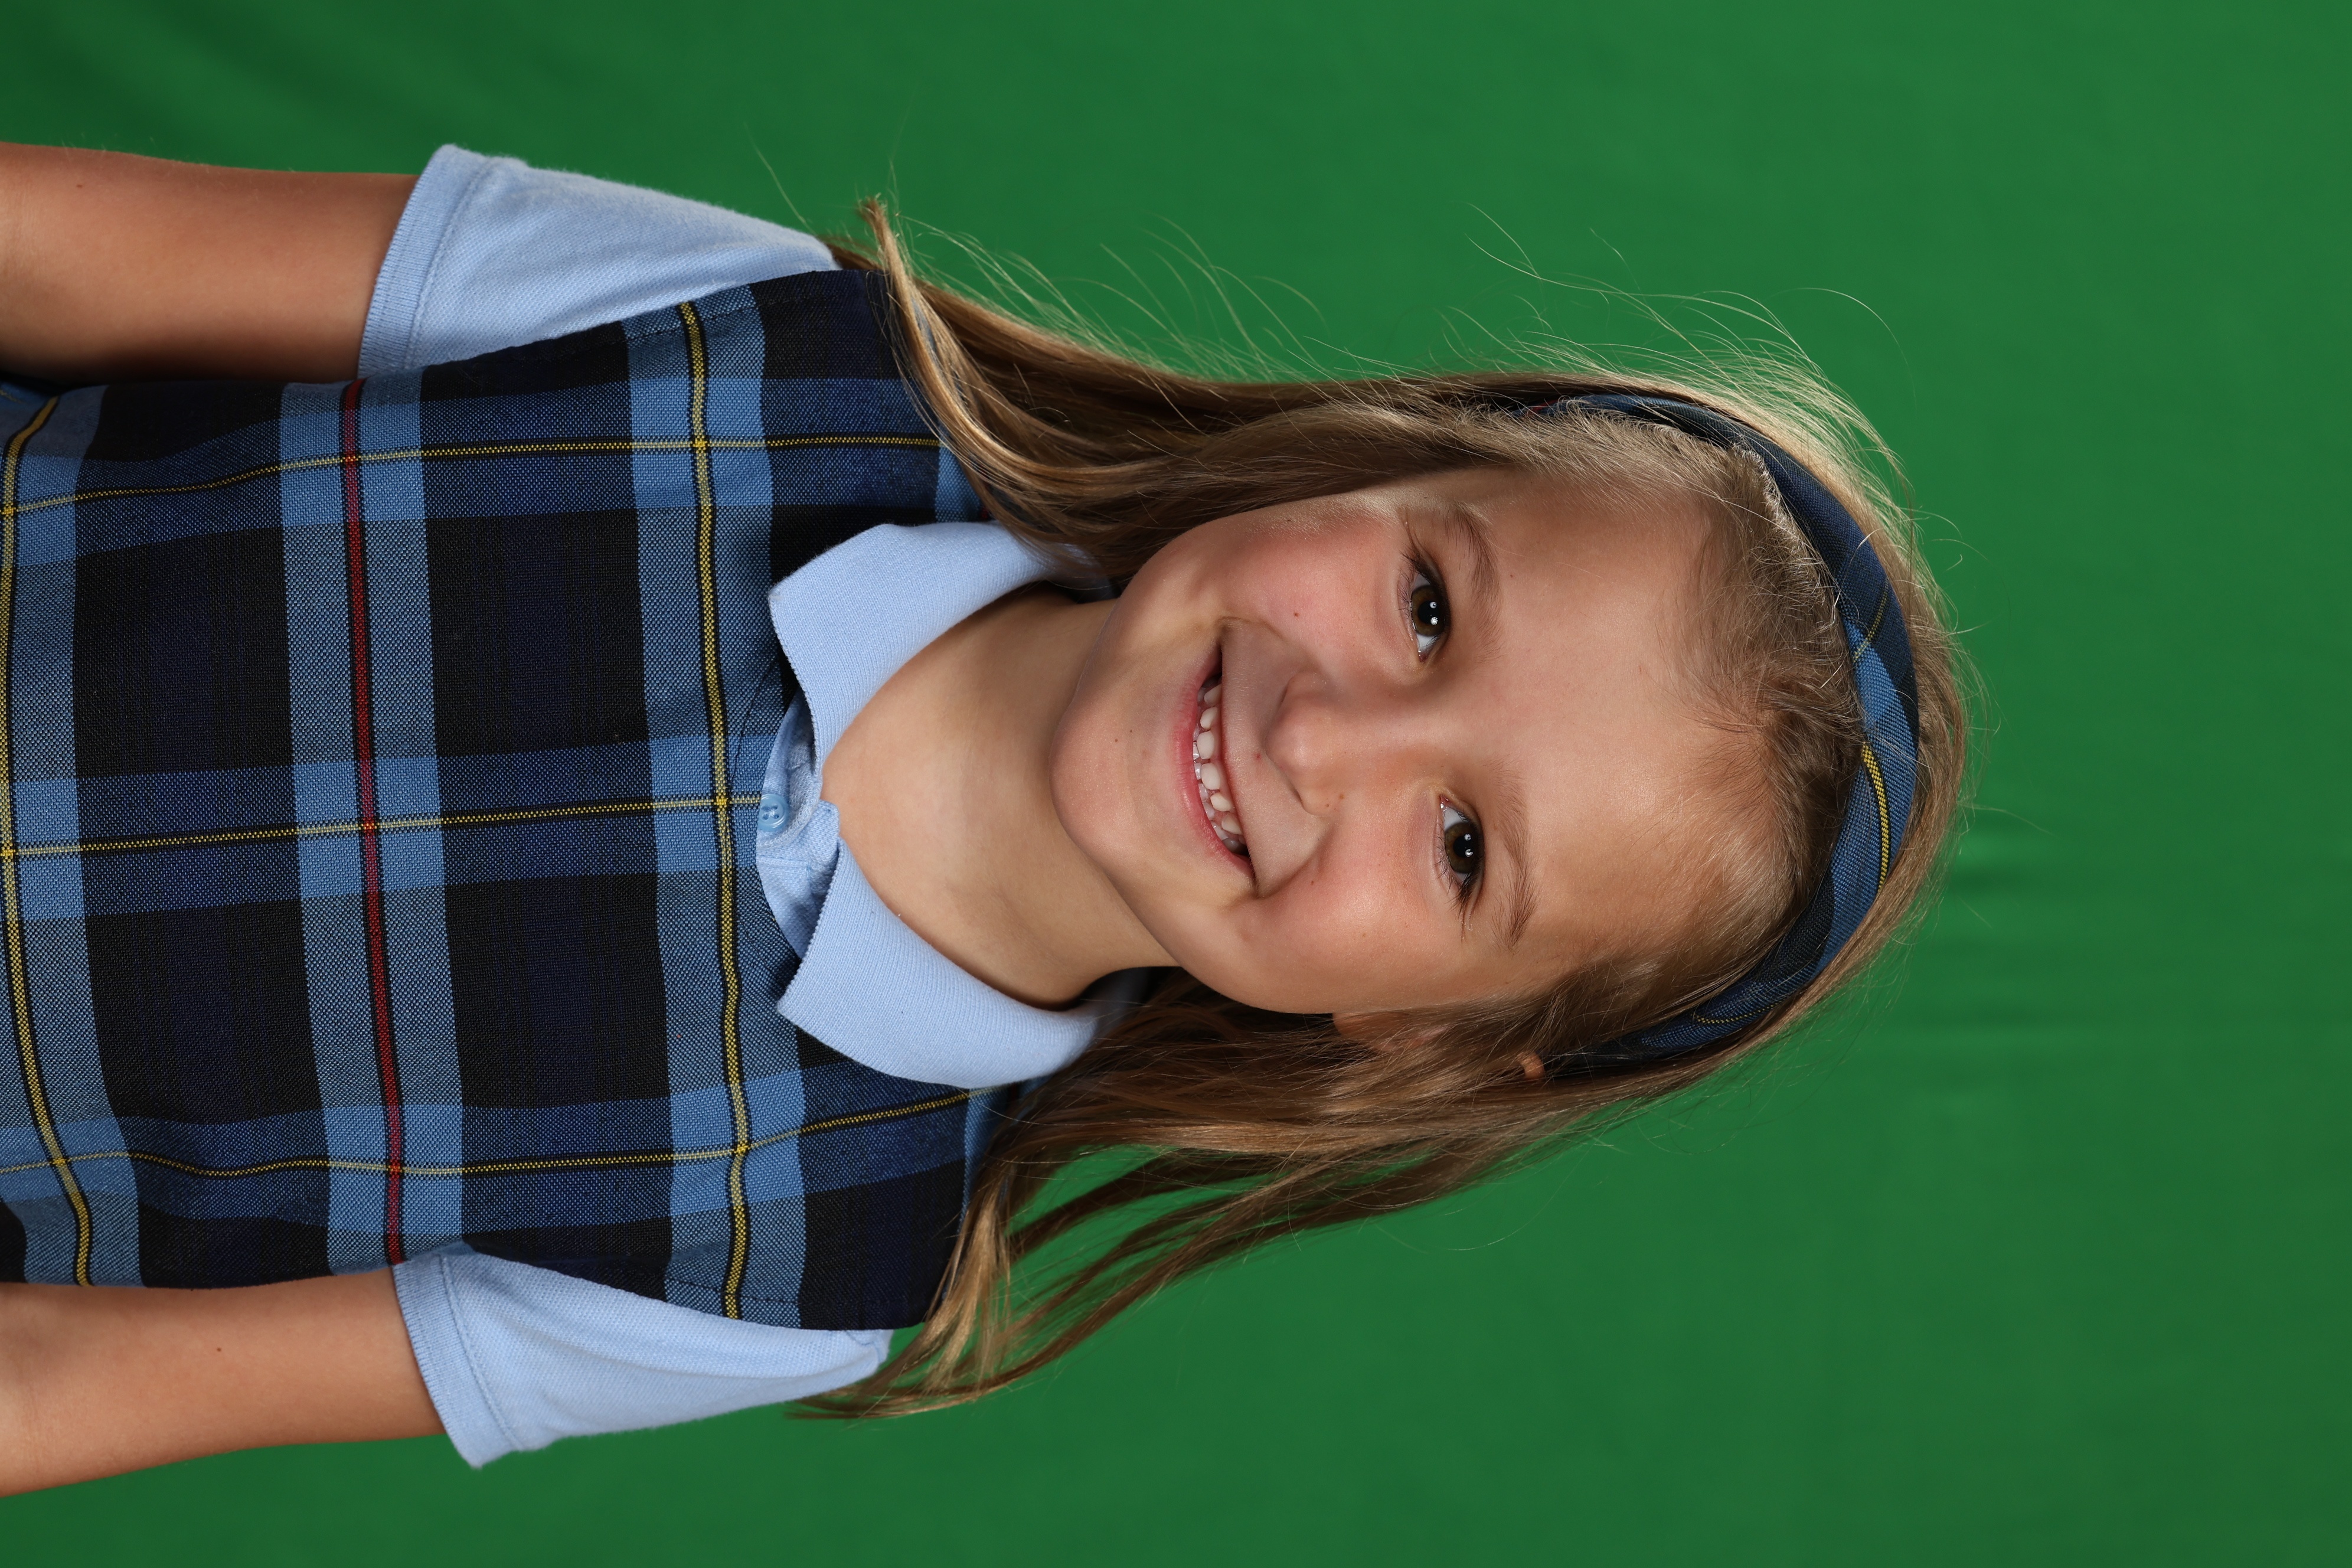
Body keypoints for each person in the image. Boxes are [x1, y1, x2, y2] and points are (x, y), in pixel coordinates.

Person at [0, 143, 1964, 1491]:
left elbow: (66, 1378)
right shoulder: (781, 344)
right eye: (1429, 607)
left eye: (1462, 849)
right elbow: (61, 250)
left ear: (1422, 1035)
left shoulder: (803, 1271)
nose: (1327, 735)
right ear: (1379, 459)